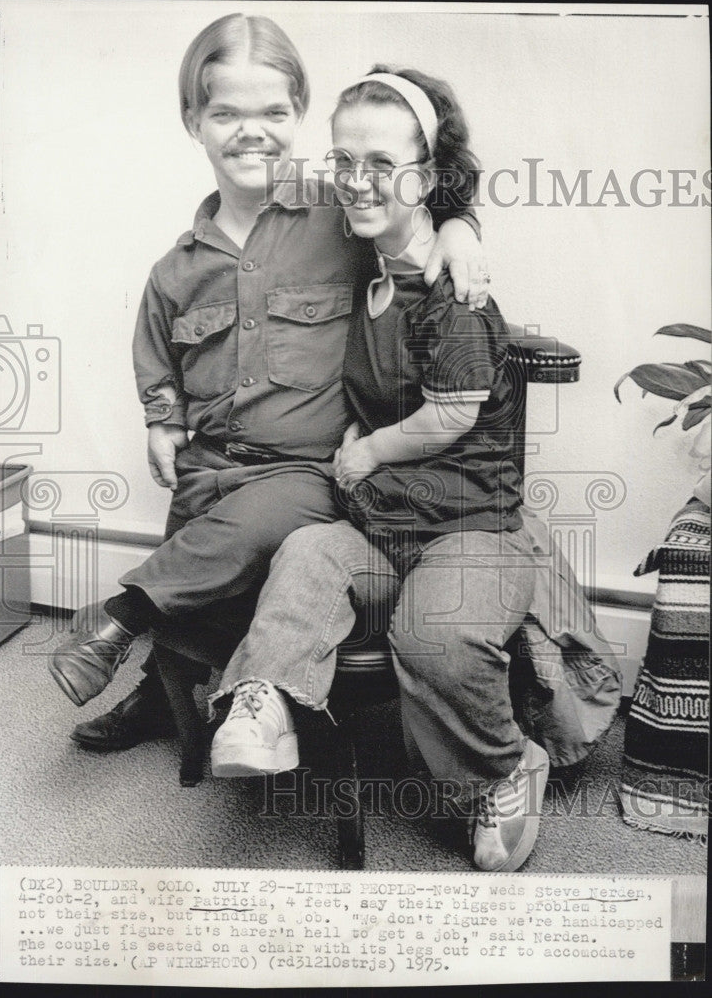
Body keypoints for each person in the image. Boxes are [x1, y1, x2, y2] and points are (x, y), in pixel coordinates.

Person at [207, 68, 621, 872]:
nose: (355, 181)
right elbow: (271, 182)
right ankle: (264, 700)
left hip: (470, 529)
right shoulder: (370, 261)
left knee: (433, 634)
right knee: (303, 557)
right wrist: (450, 215)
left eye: (381, 163)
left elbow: (451, 415)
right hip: (386, 527)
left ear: (428, 175)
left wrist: (364, 450)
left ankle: (502, 770)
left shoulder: (453, 295)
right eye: (342, 160)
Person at [52, 14, 488, 747]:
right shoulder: (176, 267)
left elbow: (410, 213)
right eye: (225, 112)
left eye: (272, 113)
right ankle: (163, 690)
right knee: (199, 530)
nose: (250, 132)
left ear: (299, 114)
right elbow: (156, 346)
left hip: (308, 471)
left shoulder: (337, 214)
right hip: (214, 463)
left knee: (251, 525)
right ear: (193, 120)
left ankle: (119, 616)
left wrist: (460, 227)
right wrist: (162, 418)